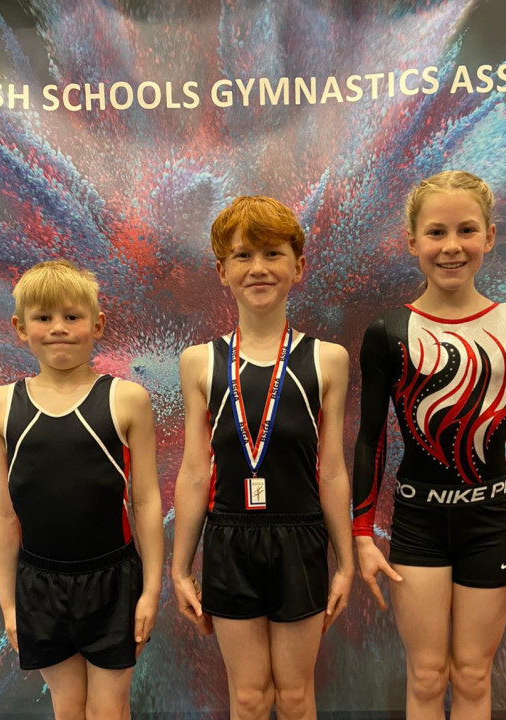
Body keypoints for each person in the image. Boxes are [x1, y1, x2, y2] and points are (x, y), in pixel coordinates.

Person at [353, 171, 506, 720]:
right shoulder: (388, 331)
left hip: (487, 520)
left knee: (471, 675)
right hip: (418, 524)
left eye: (466, 230)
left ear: (489, 236)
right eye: (436, 232)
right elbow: (370, 438)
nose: (451, 247)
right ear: (412, 242)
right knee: (425, 676)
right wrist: (361, 533)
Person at [172, 196, 354, 720]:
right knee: (249, 697)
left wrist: (343, 563)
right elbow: (193, 470)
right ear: (222, 271)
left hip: (300, 538)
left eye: (272, 254)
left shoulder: (328, 360)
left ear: (298, 266)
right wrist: (181, 566)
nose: (258, 268)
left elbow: (333, 469)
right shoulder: (199, 362)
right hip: (229, 539)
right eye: (243, 256)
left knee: (295, 696)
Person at [0, 260, 163, 720]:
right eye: (43, 318)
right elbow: (3, 514)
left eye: (71, 317)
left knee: (107, 709)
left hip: (114, 581)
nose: (58, 329)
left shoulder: (126, 399)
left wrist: (150, 590)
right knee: (68, 708)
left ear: (96, 324)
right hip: (39, 585)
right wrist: (8, 602)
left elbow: (144, 501)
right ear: (21, 328)